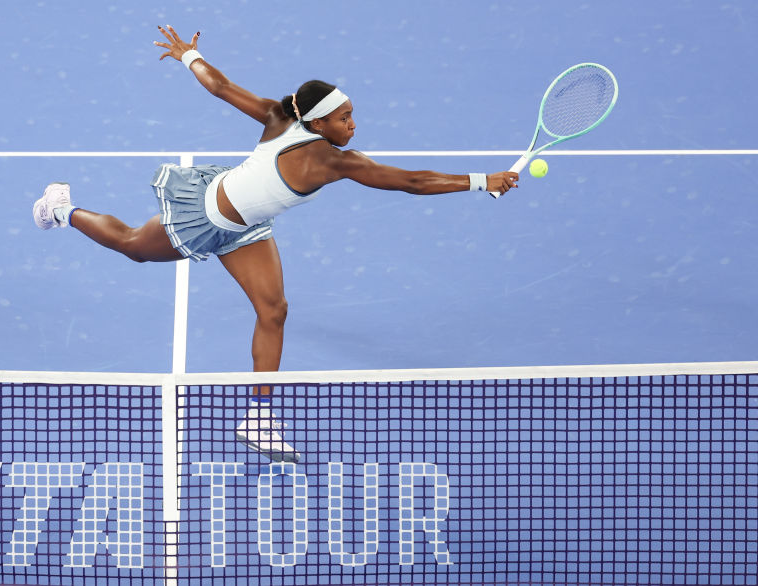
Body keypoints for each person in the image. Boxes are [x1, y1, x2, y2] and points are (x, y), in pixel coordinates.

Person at [33, 25, 519, 463]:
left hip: (248, 228)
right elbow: (411, 180)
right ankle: (60, 209)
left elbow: (221, 85)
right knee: (133, 245)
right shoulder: (307, 141)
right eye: (345, 118)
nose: (353, 125)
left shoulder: (320, 146)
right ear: (319, 123)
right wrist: (482, 180)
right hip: (206, 215)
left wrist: (189, 56)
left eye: (352, 116)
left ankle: (259, 417)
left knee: (274, 311)